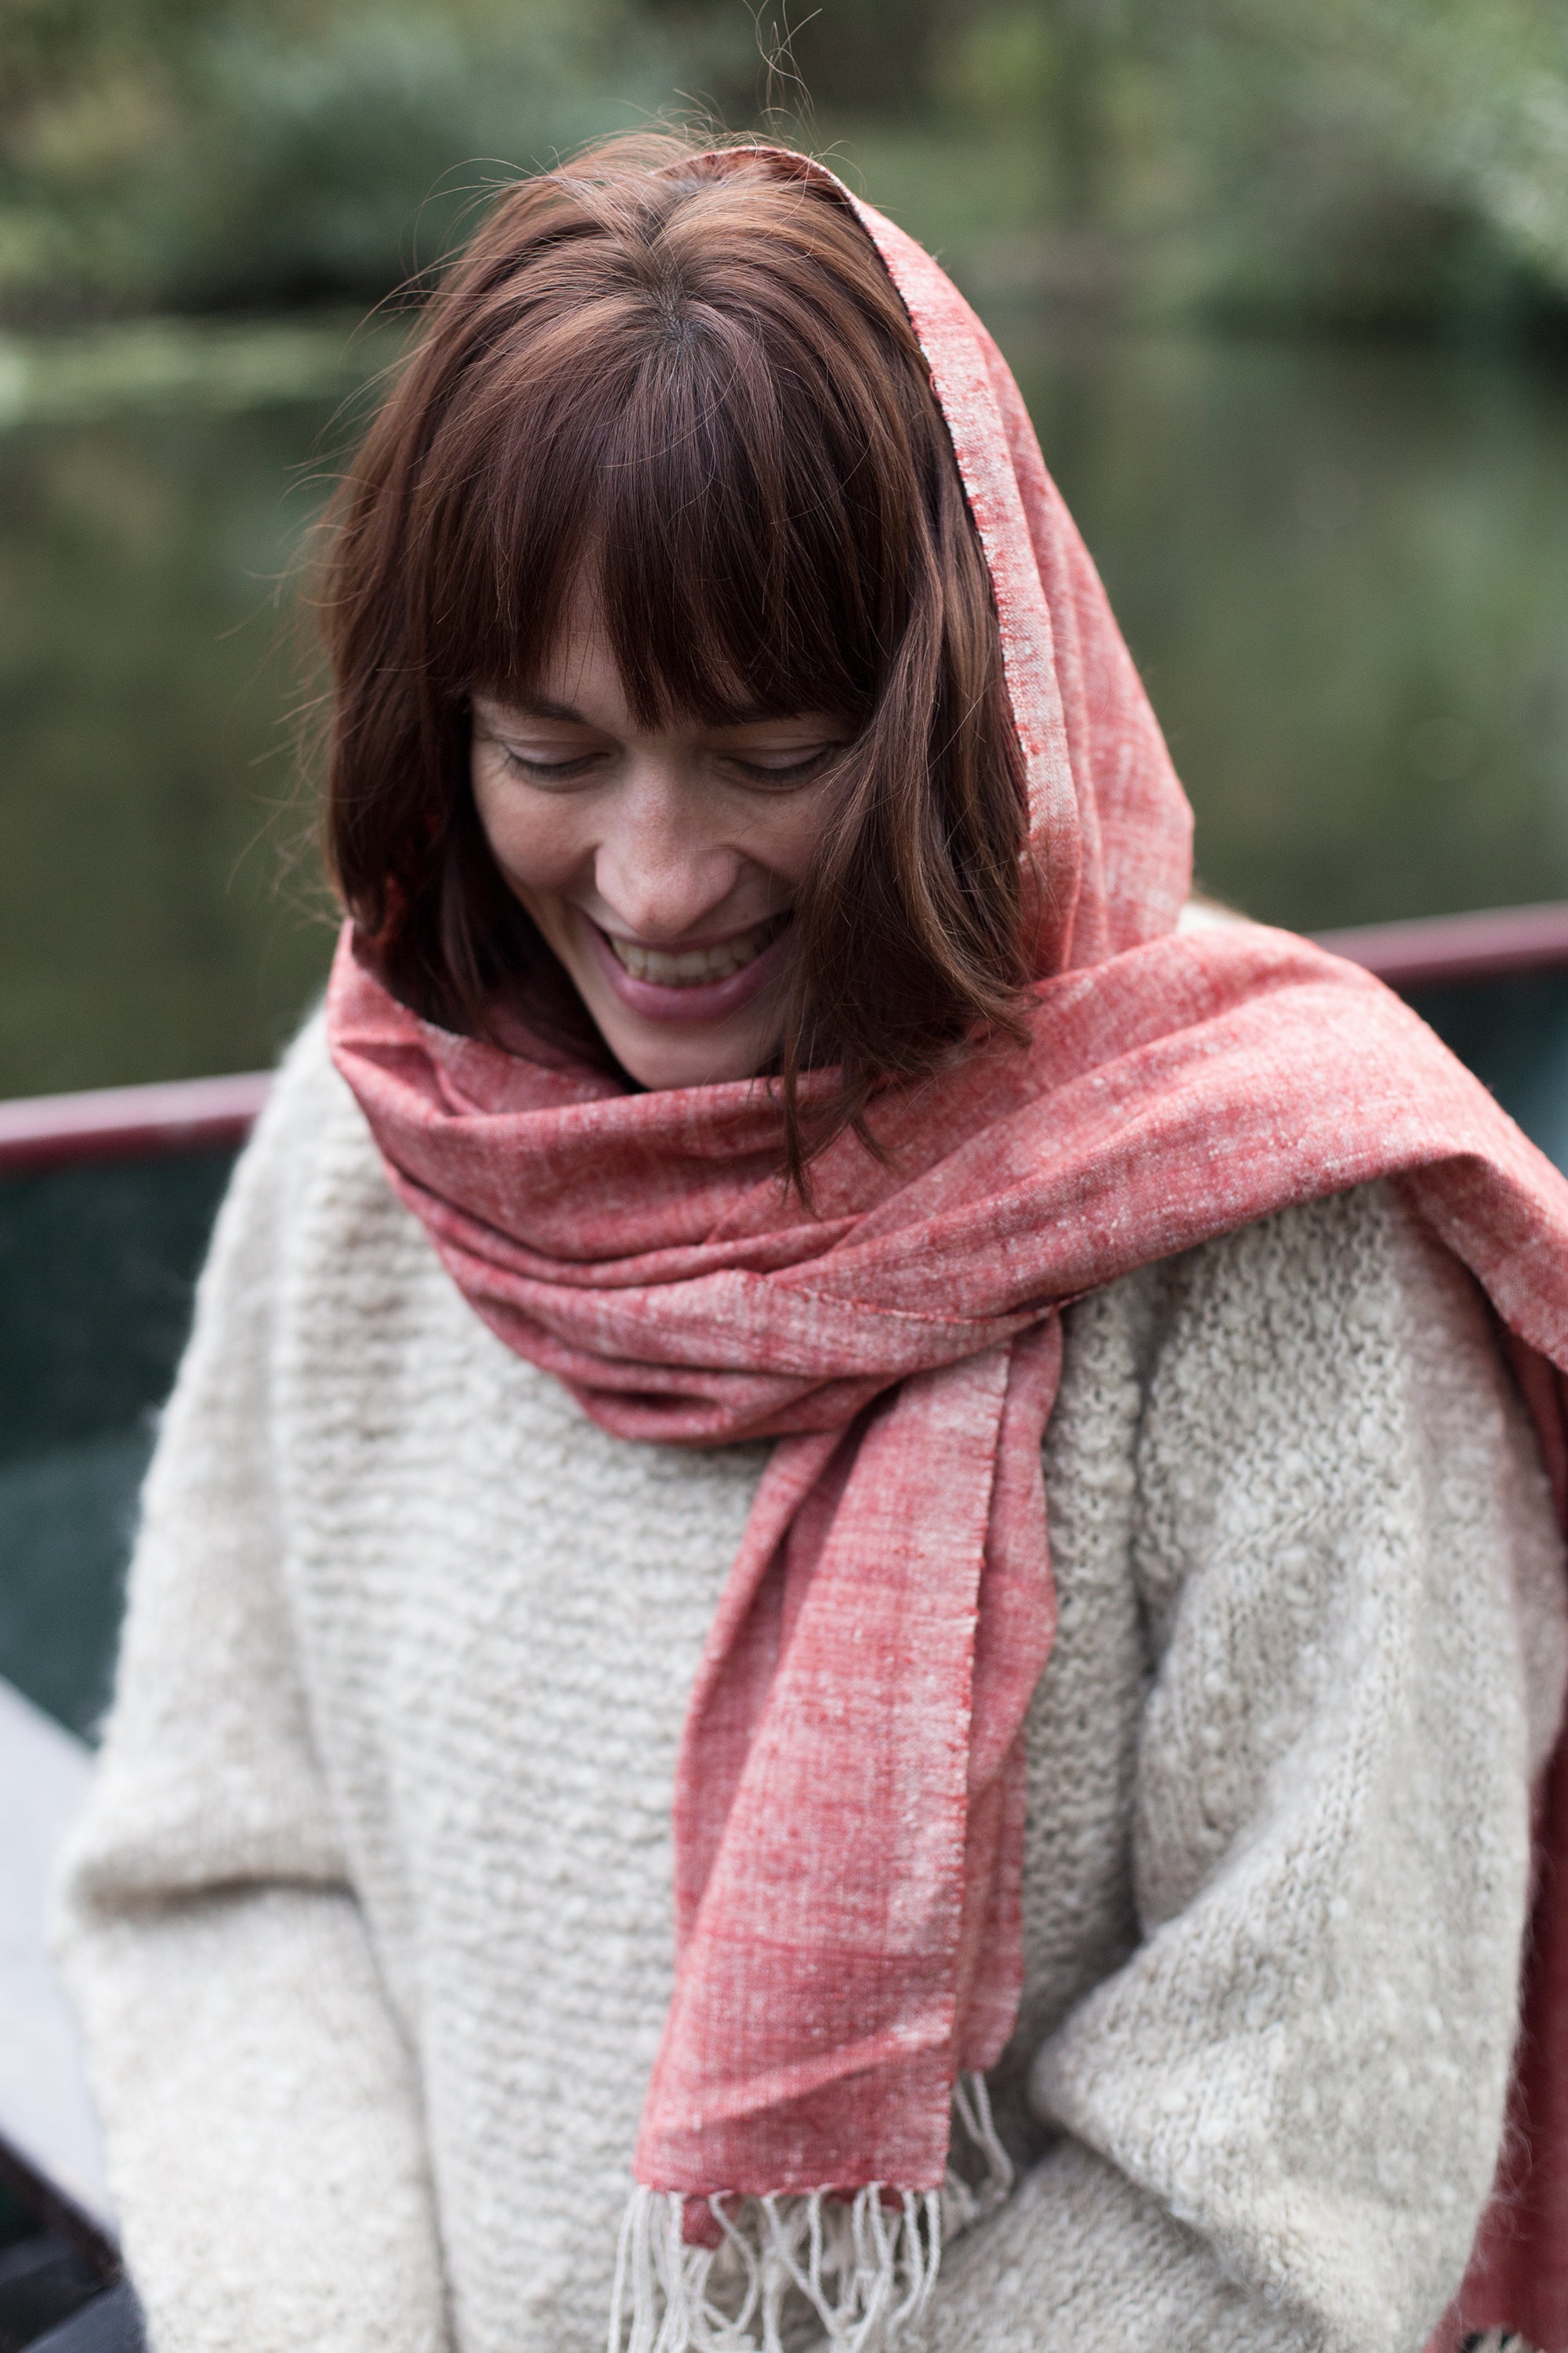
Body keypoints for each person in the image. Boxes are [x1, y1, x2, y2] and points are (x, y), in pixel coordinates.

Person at [53, 136, 1568, 2353]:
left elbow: (1283, 2173)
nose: (653, 885)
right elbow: (224, 1869)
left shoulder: (1281, 1245)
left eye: (763, 751)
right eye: (552, 749)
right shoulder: (391, 1123)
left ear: (959, 701)